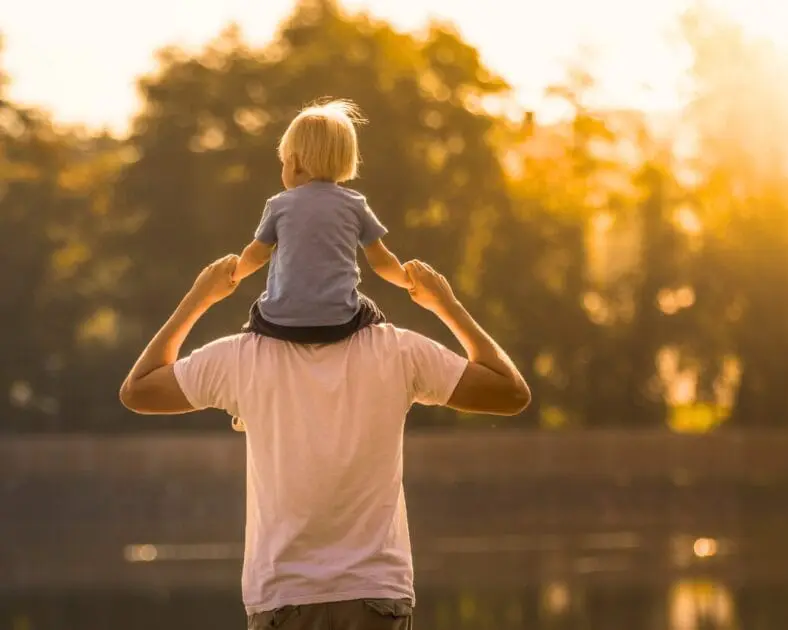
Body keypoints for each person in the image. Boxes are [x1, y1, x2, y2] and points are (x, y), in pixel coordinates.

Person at [119, 255, 531, 630]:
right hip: (376, 597)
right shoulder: (398, 350)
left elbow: (138, 390)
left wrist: (198, 298)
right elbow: (510, 392)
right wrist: (446, 304)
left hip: (284, 597)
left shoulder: (242, 358)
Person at [233, 98, 411, 346]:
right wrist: (407, 280)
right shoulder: (355, 205)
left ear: (293, 164)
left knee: (256, 313)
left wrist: (233, 274)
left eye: (284, 162)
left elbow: (256, 256)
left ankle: (252, 350)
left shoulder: (279, 204)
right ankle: (376, 353)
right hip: (339, 323)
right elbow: (381, 261)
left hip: (280, 323)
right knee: (372, 312)